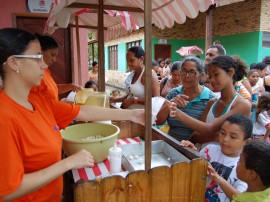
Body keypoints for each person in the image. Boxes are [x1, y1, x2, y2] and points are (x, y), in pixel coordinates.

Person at [0, 28, 144, 201]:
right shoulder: (4, 116)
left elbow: (82, 111)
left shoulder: (38, 101)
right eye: (37, 57)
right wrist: (67, 163)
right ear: (14, 63)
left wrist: (132, 115)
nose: (44, 64)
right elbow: (8, 191)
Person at [168, 56, 251, 143]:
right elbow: (195, 136)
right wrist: (216, 136)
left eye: (216, 74)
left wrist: (176, 112)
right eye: (210, 76)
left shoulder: (242, 105)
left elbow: (209, 129)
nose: (212, 80)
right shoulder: (212, 102)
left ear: (230, 72)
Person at [181, 114, 252, 202]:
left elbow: (241, 199)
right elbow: (194, 171)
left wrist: (218, 179)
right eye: (222, 133)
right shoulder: (209, 149)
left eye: (233, 137)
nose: (225, 139)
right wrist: (191, 153)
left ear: (247, 142)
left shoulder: (245, 166)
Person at [156, 56, 216, 141]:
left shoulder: (210, 98)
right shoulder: (174, 93)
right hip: (171, 144)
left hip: (194, 150)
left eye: (192, 72)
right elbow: (158, 121)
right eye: (184, 71)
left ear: (201, 75)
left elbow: (207, 132)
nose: (187, 76)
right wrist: (170, 104)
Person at [31, 34, 82, 101]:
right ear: (40, 51)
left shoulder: (45, 69)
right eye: (52, 55)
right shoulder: (32, 75)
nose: (54, 59)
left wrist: (71, 86)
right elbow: (37, 103)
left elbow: (52, 89)